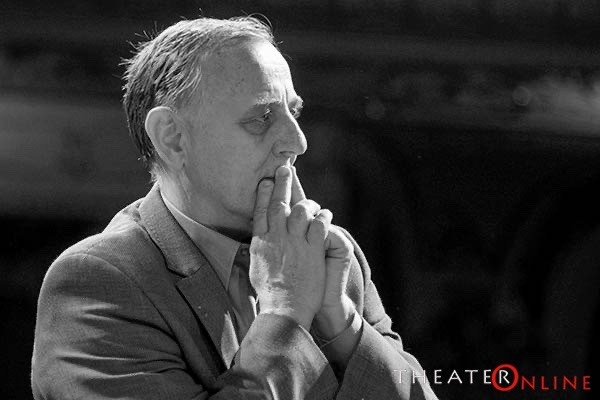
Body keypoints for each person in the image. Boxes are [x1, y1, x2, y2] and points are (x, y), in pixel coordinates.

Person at [31, 16, 438, 400]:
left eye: (293, 112)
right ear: (172, 138)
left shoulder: (329, 255)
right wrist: (286, 311)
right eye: (262, 117)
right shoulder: (98, 280)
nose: (297, 142)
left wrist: (342, 325)